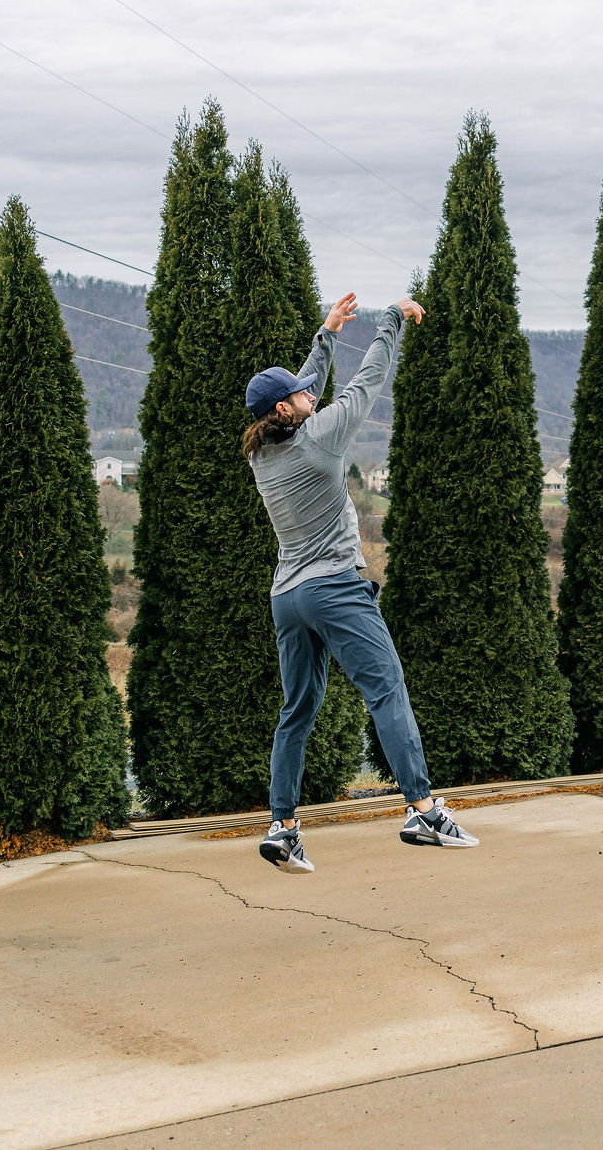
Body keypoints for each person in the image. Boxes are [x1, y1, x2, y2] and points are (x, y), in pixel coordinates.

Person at [241, 291, 476, 873]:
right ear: (287, 409)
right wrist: (391, 320)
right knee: (386, 688)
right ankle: (423, 810)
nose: (312, 394)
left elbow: (298, 396)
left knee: (297, 709)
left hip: (287, 596)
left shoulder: (261, 454)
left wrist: (326, 336)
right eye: (302, 394)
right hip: (333, 587)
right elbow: (367, 381)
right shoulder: (320, 437)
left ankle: (282, 827)